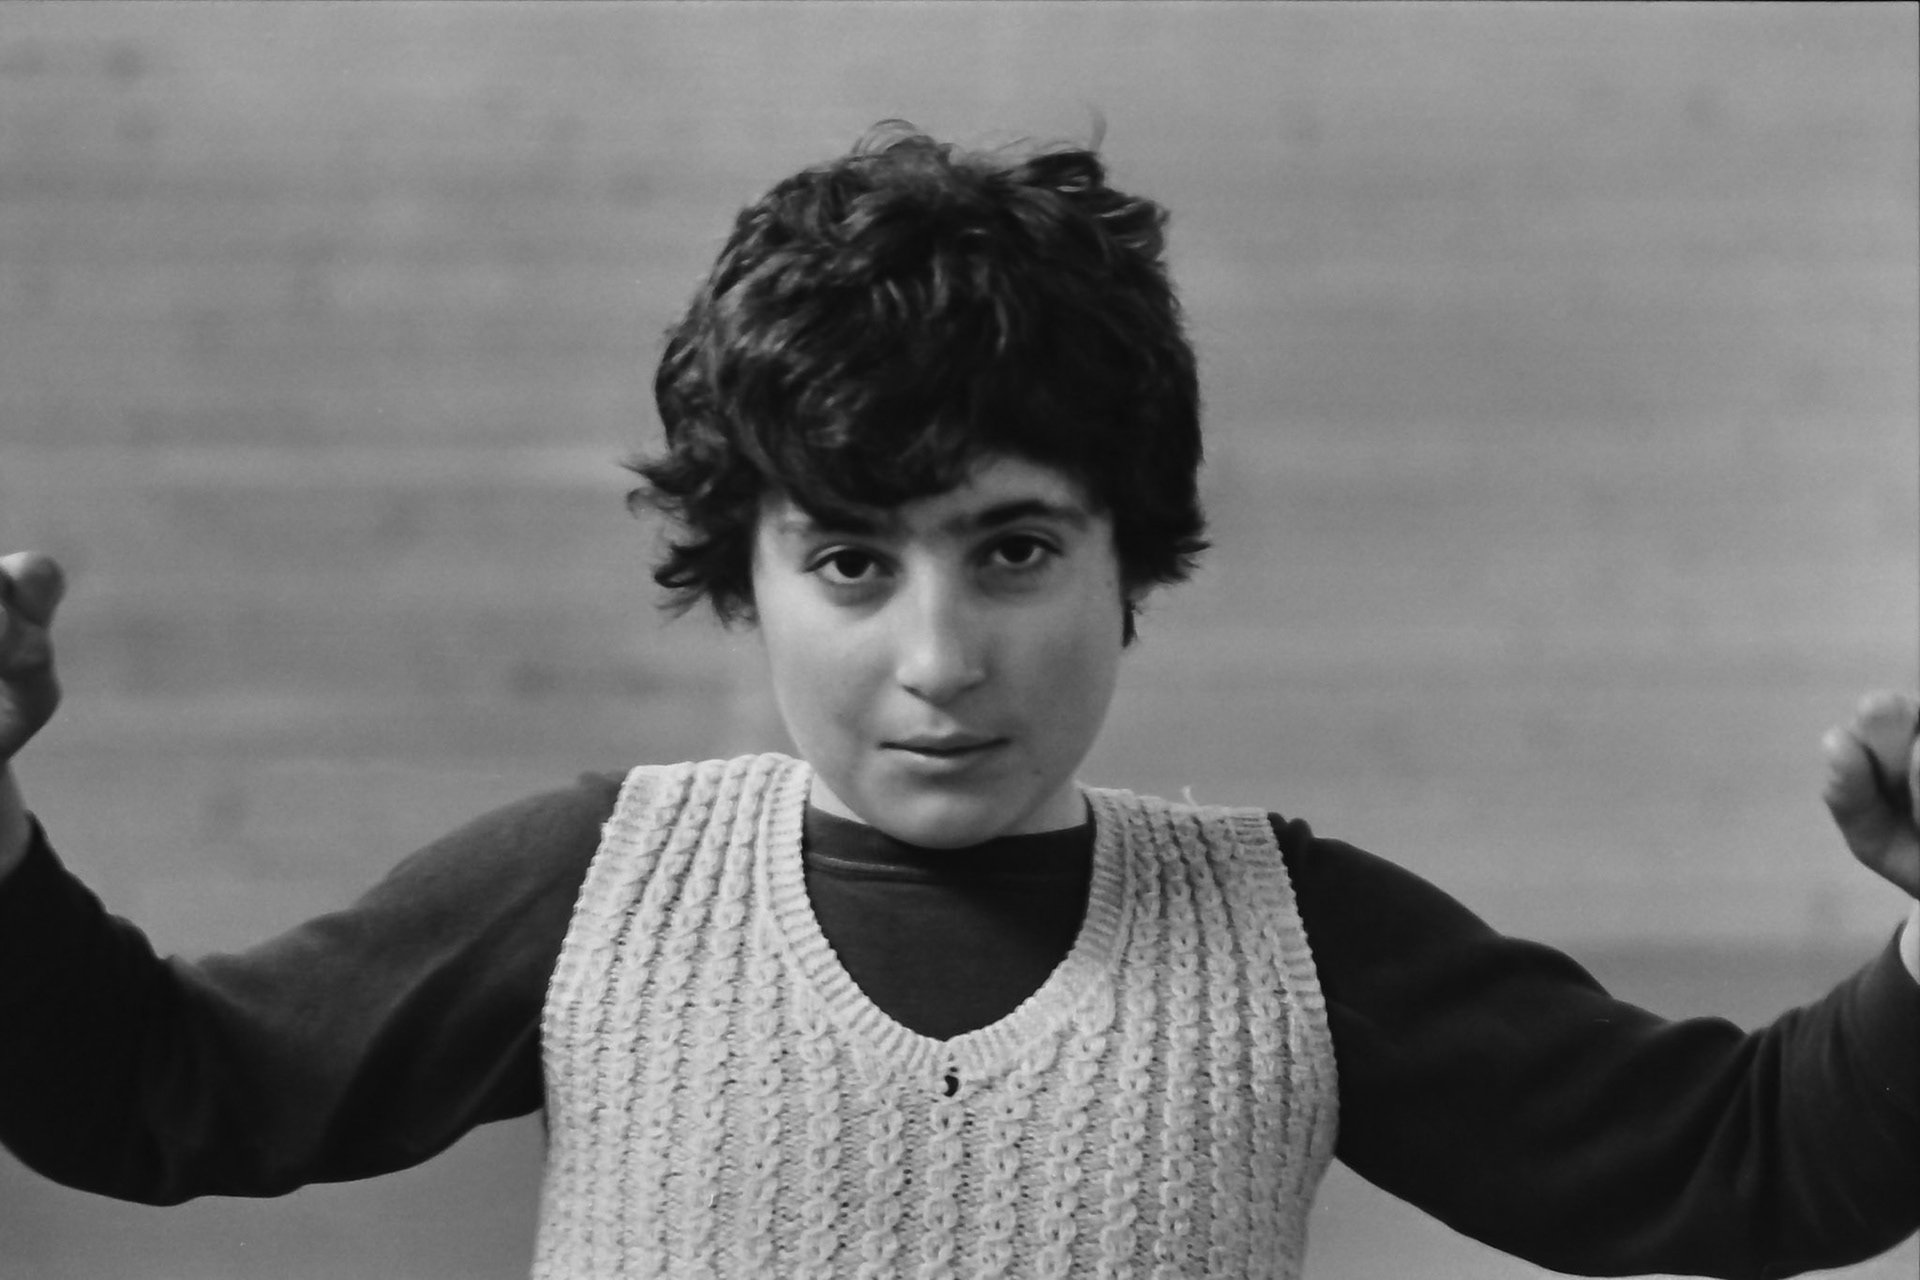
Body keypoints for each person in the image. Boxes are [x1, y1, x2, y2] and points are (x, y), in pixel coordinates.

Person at [0, 124, 1915, 1280]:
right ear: (743, 573)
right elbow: (154, 1093)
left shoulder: (1293, 942)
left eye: (1011, 551)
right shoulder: (595, 892)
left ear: (1127, 556)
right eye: (852, 563)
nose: (939, 660)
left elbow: (1744, 1166)